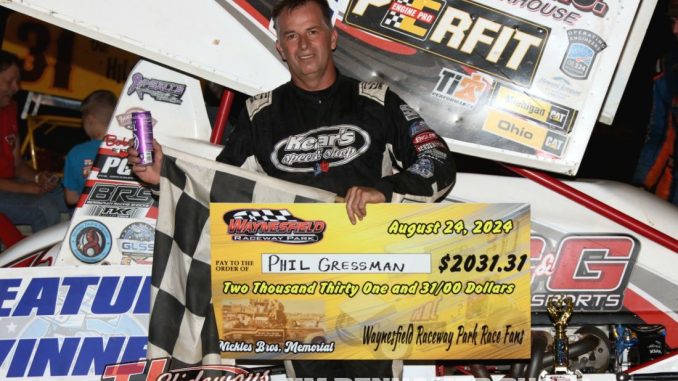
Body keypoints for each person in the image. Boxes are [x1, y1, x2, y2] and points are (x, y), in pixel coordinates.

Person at [129, 0, 455, 377]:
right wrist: (164, 178)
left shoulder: (376, 100)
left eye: (313, 32)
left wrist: (385, 189)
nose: (303, 45)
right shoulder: (259, 114)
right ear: (280, 48)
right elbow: (217, 190)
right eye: (291, 35)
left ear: (332, 38)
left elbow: (436, 158)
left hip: (368, 279)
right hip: (293, 286)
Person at [0, 50, 68, 233]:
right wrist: (27, 188)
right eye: (9, 81)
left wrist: (38, 178)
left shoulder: (10, 108)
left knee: (70, 194)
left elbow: (17, 164)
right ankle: (45, 261)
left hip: (10, 184)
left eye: (17, 81)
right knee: (43, 208)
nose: (16, 88)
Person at [632, 0, 678, 205]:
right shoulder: (669, 66)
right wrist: (641, 186)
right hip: (668, 195)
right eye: (674, 21)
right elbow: (659, 133)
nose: (675, 30)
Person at [63, 90, 117, 206]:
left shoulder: (76, 153)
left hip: (86, 220)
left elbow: (71, 198)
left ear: (90, 119)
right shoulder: (130, 148)